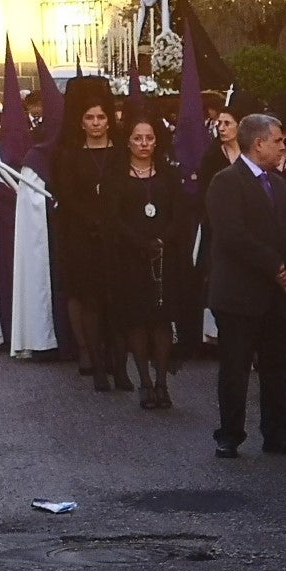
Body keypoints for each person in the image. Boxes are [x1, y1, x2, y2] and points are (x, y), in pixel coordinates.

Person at [204, 113, 286, 460]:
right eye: (277, 140)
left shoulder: (279, 184)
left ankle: (278, 432)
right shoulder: (226, 181)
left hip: (277, 296)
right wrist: (276, 267)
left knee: (278, 366)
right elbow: (233, 235)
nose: (283, 147)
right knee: (235, 366)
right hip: (239, 294)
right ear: (259, 142)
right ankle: (230, 434)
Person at [51, 78, 128, 390]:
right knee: (89, 299)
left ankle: (118, 363)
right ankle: (93, 360)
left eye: (101, 117)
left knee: (117, 301)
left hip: (117, 235)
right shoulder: (68, 154)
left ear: (109, 120)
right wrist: (92, 220)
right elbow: (66, 196)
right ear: (81, 122)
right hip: (82, 235)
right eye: (89, 118)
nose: (96, 123)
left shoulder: (121, 152)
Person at [105, 114, 184, 409]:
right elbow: (114, 218)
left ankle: (162, 382)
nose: (144, 144)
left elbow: (179, 213)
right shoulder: (116, 177)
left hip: (165, 257)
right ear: (128, 141)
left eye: (149, 138)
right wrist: (141, 243)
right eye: (138, 138)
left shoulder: (168, 174)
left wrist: (163, 240)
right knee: (137, 320)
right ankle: (145, 383)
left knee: (162, 320)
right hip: (131, 257)